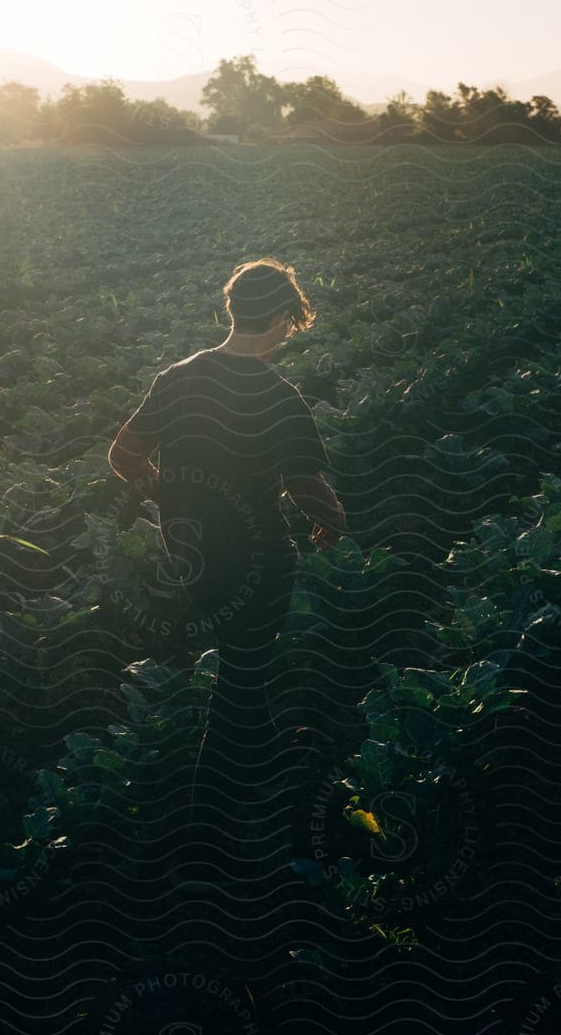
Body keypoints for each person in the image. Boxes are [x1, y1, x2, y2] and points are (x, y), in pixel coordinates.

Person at [107, 258, 346, 809]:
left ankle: (265, 759)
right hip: (257, 553)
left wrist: (160, 491)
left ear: (233, 309)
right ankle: (207, 804)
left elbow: (123, 454)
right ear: (284, 316)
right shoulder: (279, 396)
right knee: (240, 674)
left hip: (189, 553)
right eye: (292, 320)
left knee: (243, 654)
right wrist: (336, 521)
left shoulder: (176, 377)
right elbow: (306, 486)